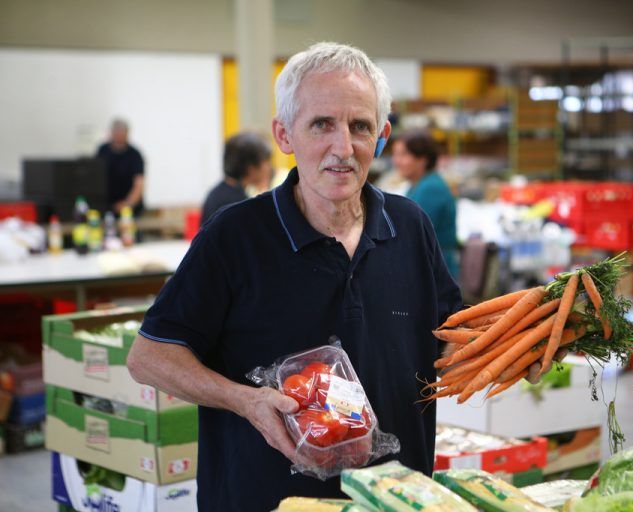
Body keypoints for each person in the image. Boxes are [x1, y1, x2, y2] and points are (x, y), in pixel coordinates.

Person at [125, 42, 462, 511]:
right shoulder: (235, 236)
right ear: (285, 135)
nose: (342, 148)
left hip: (395, 498)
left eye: (360, 126)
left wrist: (516, 344)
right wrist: (246, 401)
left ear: (381, 135)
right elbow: (149, 356)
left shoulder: (410, 225)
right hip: (267, 500)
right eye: (321, 124)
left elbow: (448, 333)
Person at [391, 132, 459, 277]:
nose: (396, 161)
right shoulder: (416, 186)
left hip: (434, 269)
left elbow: (411, 233)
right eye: (395, 155)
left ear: (422, 159)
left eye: (403, 155)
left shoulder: (430, 188)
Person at [201, 131, 272, 224]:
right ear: (251, 168)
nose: (269, 168)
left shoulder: (216, 193)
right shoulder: (239, 204)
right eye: (266, 161)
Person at [95, 119, 145, 215]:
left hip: (130, 206)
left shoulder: (135, 155)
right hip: (106, 205)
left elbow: (139, 185)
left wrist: (127, 204)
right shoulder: (102, 151)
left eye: (121, 132)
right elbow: (95, 178)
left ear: (127, 134)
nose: (118, 135)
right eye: (116, 132)